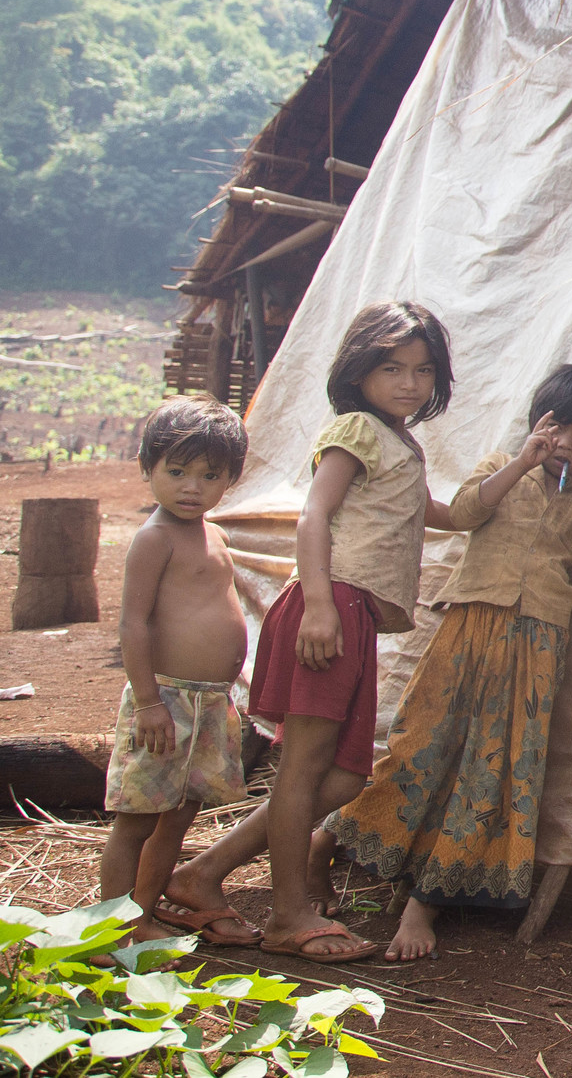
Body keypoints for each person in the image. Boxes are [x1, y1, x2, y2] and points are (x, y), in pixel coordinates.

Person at [161, 300, 455, 963]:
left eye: (423, 370)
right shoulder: (355, 427)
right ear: (359, 370)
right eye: (392, 367)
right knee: (303, 768)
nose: (409, 382)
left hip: (354, 614)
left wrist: (519, 469)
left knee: (345, 775)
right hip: (330, 606)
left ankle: (204, 873)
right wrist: (320, 604)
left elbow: (436, 510)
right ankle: (288, 913)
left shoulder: (401, 441)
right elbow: (312, 517)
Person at [314, 364, 572, 961]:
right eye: (558, 426)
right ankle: (324, 842)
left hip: (538, 640)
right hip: (471, 625)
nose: (566, 443)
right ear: (537, 423)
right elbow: (464, 511)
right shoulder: (500, 469)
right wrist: (521, 463)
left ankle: (423, 903)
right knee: (420, 748)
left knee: (495, 767)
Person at [98, 397, 254, 948]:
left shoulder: (215, 535)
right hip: (163, 701)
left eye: (210, 475)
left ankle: (141, 913)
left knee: (179, 814)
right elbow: (133, 624)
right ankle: (109, 927)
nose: (192, 487)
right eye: (177, 471)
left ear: (230, 479)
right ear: (148, 469)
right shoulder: (154, 538)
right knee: (137, 818)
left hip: (209, 700)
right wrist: (147, 702)